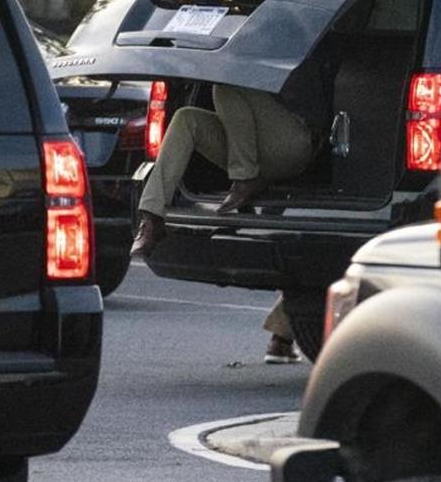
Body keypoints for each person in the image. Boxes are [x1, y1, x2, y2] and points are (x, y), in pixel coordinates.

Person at [129, 82, 320, 364]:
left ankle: (244, 178)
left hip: (293, 140)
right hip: (253, 145)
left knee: (226, 85)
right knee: (185, 118)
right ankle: (152, 218)